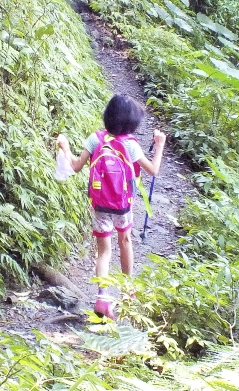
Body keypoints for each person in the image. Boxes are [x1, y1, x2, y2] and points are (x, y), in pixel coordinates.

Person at [56, 94, 166, 319]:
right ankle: (127, 293)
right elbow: (153, 170)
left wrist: (65, 147)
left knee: (104, 250)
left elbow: (75, 166)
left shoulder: (95, 139)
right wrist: (160, 145)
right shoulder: (131, 146)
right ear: (131, 123)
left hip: (99, 203)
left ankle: (102, 298)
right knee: (125, 242)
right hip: (123, 205)